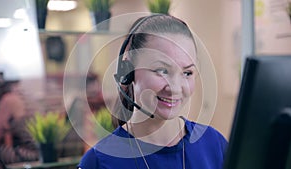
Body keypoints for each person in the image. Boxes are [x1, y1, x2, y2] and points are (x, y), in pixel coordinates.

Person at [78, 14, 227, 169]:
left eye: (187, 73)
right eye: (162, 70)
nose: (175, 88)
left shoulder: (215, 145)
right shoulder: (98, 161)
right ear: (128, 71)